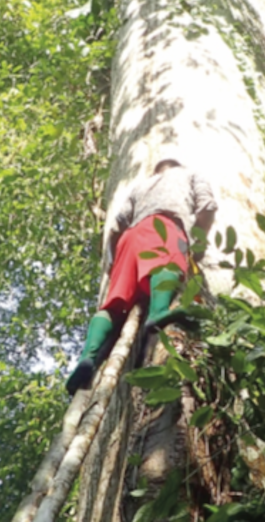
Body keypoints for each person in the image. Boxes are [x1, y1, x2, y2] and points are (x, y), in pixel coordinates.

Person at [66, 159, 217, 395]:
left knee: (114, 304)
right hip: (164, 224)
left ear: (156, 170)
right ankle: (158, 312)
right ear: (178, 166)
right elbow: (207, 206)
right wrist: (199, 244)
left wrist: (115, 266)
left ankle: (88, 358)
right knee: (166, 263)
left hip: (128, 239)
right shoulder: (189, 174)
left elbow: (117, 227)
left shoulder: (140, 187)